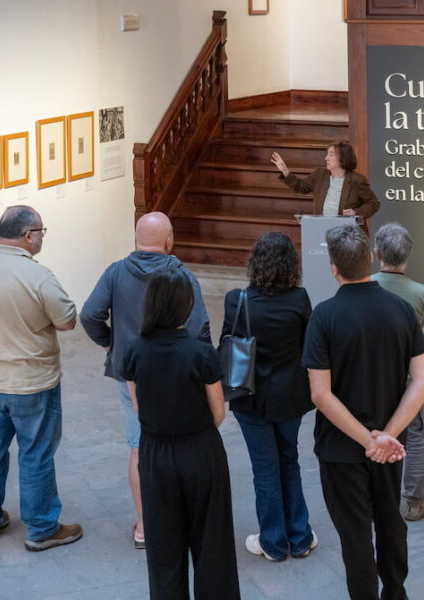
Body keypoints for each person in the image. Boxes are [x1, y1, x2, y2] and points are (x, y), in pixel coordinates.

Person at [302, 224, 424, 600]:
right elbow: (422, 381)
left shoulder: (324, 317)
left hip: (341, 449)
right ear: (371, 258)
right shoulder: (401, 310)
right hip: (391, 449)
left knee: (355, 536)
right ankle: (396, 592)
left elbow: (320, 394)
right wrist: (386, 437)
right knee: (391, 522)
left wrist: (367, 439)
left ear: (333, 268)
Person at [80, 211, 210, 549]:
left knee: (140, 445)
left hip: (131, 373)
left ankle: (144, 525)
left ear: (136, 240)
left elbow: (89, 313)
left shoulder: (116, 272)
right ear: (169, 241)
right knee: (179, 443)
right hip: (178, 375)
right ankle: (180, 519)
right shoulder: (181, 275)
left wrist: (111, 343)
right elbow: (199, 330)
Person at [122, 266, 240, 600]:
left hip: (156, 453)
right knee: (213, 546)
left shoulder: (134, 352)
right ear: (184, 305)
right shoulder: (201, 353)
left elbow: (139, 408)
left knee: (163, 552)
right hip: (201, 450)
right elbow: (218, 413)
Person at [0, 205, 82, 551]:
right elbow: (67, 321)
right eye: (42, 230)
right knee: (36, 453)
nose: (43, 236)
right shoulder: (38, 276)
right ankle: (42, 527)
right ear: (29, 236)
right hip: (32, 384)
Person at [220, 232, 316, 561]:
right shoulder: (301, 299)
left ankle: (273, 542)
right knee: (289, 461)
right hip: (291, 397)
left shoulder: (237, 300)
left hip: (250, 397)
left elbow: (225, 344)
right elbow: (309, 348)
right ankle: (300, 537)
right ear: (291, 264)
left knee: (264, 469)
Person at [371, 222, 424, 522]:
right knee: (415, 434)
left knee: (370, 433)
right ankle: (412, 499)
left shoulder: (363, 286)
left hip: (368, 376)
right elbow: (416, 335)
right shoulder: (421, 294)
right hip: (409, 379)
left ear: (377, 253)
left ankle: (374, 495)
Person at [271, 141, 380, 228]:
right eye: (327, 154)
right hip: (322, 231)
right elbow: (300, 187)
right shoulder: (320, 175)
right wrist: (285, 171)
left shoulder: (357, 180)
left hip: (348, 236)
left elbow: (373, 204)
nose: (326, 158)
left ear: (343, 158)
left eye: (331, 155)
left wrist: (355, 212)